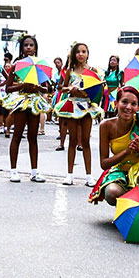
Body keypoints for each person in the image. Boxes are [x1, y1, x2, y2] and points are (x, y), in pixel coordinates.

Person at [89, 85, 139, 205]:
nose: (128, 107)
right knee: (112, 193)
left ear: (138, 108)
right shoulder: (106, 126)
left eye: (133, 104)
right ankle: (129, 210)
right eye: (124, 102)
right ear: (116, 104)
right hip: (120, 172)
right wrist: (126, 152)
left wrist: (138, 149)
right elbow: (104, 163)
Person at [3, 35, 51, 182]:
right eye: (26, 45)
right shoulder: (16, 65)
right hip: (21, 101)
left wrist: (38, 87)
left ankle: (34, 172)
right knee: (17, 135)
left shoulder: (40, 65)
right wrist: (23, 86)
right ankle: (13, 170)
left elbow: (47, 88)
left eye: (31, 45)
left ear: (35, 48)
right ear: (22, 48)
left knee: (33, 137)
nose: (29, 48)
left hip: (35, 102)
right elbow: (8, 88)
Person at [56, 42, 103, 186]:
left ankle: (89, 176)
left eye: (84, 51)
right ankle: (69, 175)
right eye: (78, 52)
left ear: (88, 54)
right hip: (72, 105)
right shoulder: (69, 70)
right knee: (72, 141)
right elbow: (60, 87)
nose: (81, 54)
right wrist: (70, 88)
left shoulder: (93, 70)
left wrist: (83, 92)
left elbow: (97, 89)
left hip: (86, 106)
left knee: (86, 141)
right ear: (74, 54)